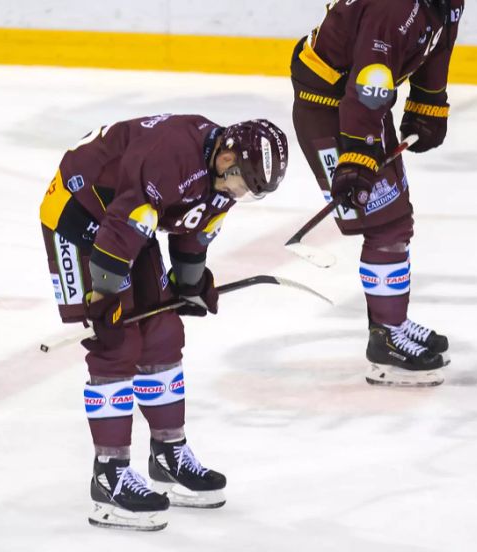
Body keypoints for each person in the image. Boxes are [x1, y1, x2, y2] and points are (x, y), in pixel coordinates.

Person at [38, 114, 288, 531]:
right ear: (227, 157)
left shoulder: (222, 172)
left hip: (125, 215)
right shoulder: (170, 156)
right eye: (242, 183)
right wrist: (104, 297)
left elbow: (194, 231)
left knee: (163, 331)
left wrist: (189, 283)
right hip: (77, 212)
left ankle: (167, 455)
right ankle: (109, 475)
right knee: (114, 342)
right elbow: (123, 226)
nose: (240, 194)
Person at [290, 0, 464, 387]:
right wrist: (356, 154)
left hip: (362, 104)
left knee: (396, 219)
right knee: (384, 225)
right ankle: (386, 338)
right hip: (332, 110)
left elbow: (439, 42)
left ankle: (393, 322)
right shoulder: (394, 7)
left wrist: (428, 102)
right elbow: (368, 78)